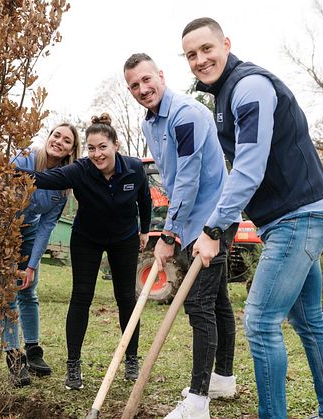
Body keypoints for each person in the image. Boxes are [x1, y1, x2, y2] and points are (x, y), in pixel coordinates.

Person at [181, 18, 323, 419]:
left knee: (259, 322)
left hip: (297, 218)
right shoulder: (225, 95)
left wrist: (215, 228)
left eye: (206, 49)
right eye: (191, 55)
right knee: (309, 321)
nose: (200, 60)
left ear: (226, 44)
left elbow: (249, 169)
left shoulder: (249, 87)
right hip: (298, 218)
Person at [123, 53, 240, 419]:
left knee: (199, 303)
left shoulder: (185, 115)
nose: (143, 89)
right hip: (191, 220)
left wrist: (168, 234)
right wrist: (177, 228)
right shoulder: (148, 125)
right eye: (134, 86)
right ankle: (223, 377)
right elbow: (173, 180)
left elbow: (188, 179)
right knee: (217, 299)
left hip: (213, 219)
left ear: (161, 75)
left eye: (146, 80)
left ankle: (198, 401)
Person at [19, 114, 152, 390]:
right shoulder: (80, 170)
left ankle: (130, 360)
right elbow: (43, 179)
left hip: (124, 239)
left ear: (115, 145)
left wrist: (145, 231)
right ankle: (73, 366)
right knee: (81, 298)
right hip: (87, 239)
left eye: (102, 147)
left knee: (126, 298)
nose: (96, 153)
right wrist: (5, 172)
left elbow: (144, 200)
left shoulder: (135, 169)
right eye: (91, 148)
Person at [1, 123, 81, 387]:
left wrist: (32, 264)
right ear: (48, 137)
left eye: (66, 140)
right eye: (56, 135)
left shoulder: (62, 185)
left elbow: (47, 226)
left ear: (71, 149)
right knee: (7, 293)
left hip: (31, 232)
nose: (59, 141)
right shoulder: (25, 158)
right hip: (4, 228)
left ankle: (33, 351)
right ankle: (14, 356)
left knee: (28, 290)